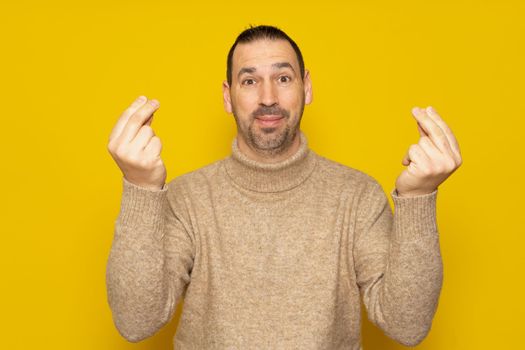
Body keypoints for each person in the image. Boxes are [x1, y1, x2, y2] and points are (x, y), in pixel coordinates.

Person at [105, 25, 462, 349]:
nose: (268, 97)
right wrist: (140, 188)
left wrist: (418, 198)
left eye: (283, 78)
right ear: (228, 96)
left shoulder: (357, 197)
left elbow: (408, 325)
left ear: (306, 87)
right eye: (249, 81)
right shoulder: (188, 198)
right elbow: (136, 321)